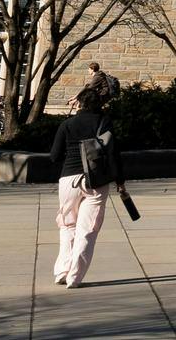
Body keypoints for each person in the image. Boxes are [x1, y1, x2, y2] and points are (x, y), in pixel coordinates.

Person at [48, 85, 126, 288]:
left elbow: (54, 156)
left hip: (68, 179)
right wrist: (120, 181)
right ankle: (75, 277)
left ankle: (61, 271)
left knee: (67, 226)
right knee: (87, 230)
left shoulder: (67, 124)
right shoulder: (104, 122)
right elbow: (113, 154)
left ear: (80, 103)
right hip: (96, 180)